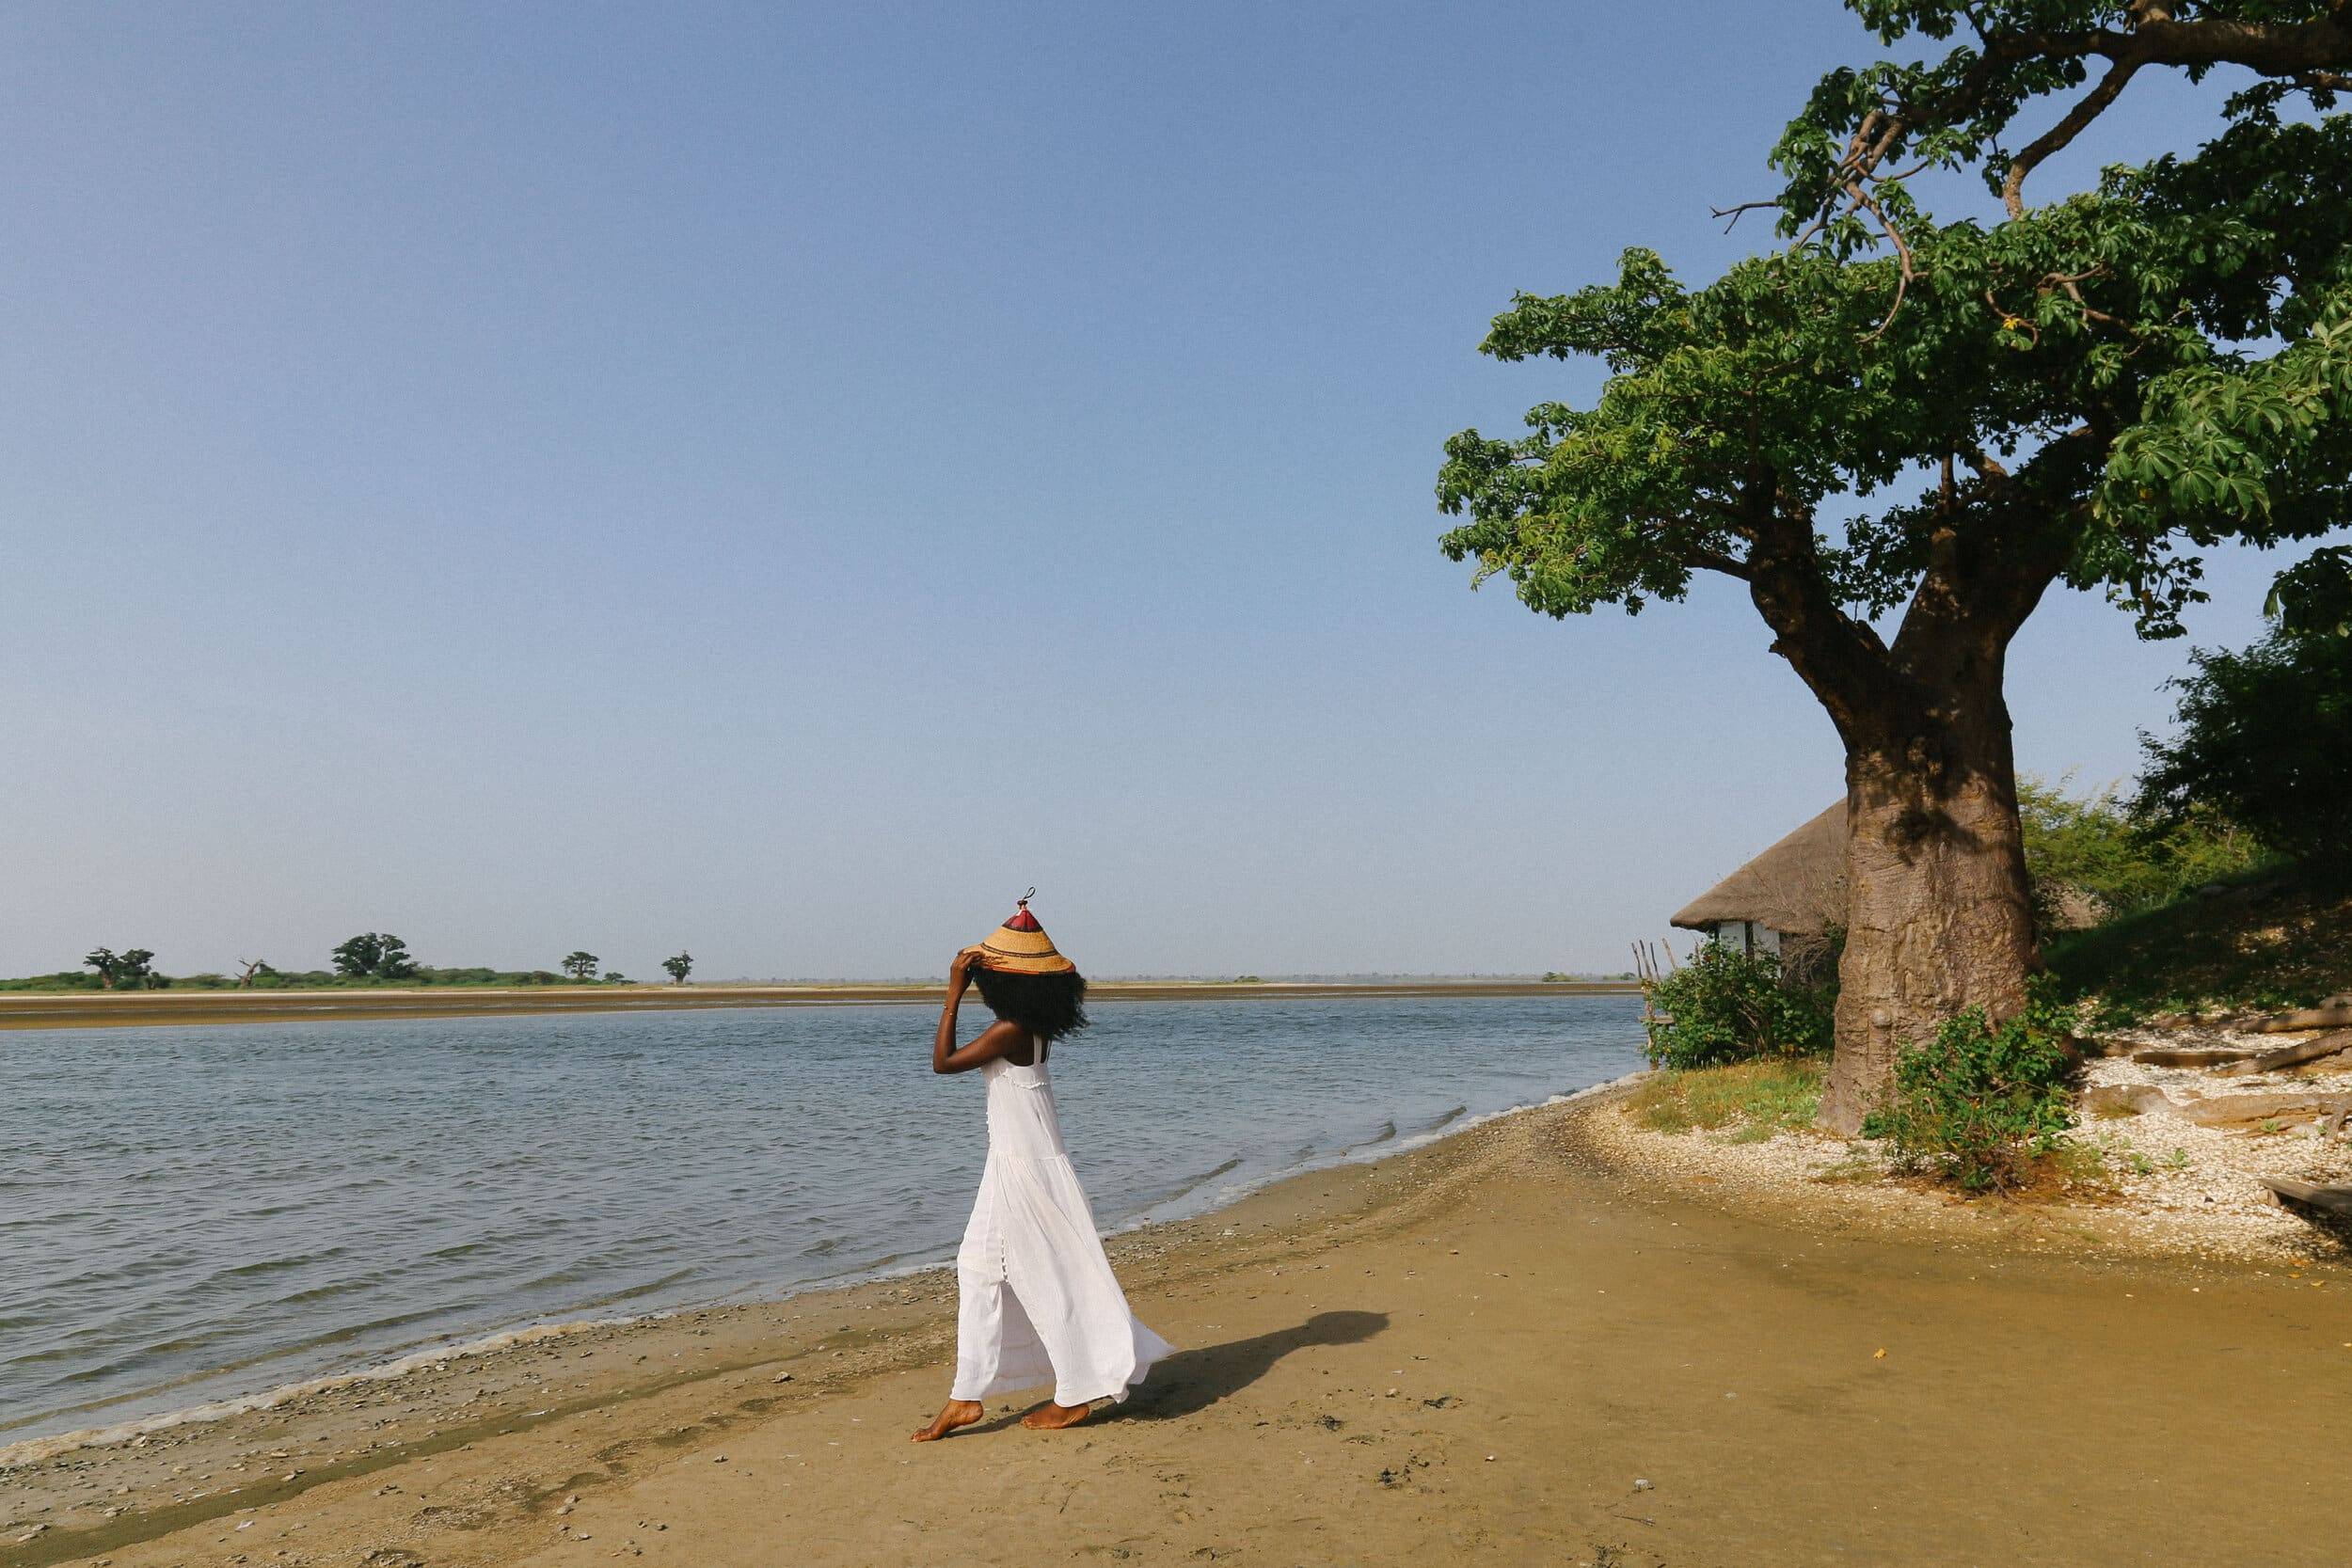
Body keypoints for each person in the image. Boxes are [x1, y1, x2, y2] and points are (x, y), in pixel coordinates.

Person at [910, 895, 1171, 1441]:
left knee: (1049, 1279)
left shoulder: (1011, 1030)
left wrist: (953, 992)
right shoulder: (1030, 1026)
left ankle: (1074, 1392)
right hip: (1014, 1165)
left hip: (1024, 1170)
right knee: (977, 1267)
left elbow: (942, 1064)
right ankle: (966, 1394)